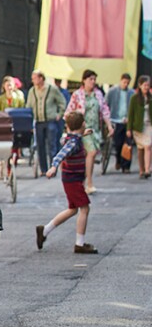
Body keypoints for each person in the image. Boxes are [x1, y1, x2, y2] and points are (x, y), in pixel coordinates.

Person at [35, 112, 98, 254]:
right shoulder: (73, 142)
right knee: (85, 208)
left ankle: (44, 230)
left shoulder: (72, 138)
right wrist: (53, 167)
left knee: (73, 209)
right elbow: (61, 154)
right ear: (83, 124)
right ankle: (79, 243)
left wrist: (83, 134)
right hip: (73, 181)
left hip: (71, 180)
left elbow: (71, 141)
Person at [66, 69, 113, 194]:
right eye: (90, 79)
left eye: (94, 79)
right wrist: (70, 128)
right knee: (91, 153)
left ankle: (83, 182)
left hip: (95, 129)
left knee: (89, 156)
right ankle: (89, 183)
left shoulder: (98, 94)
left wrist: (109, 126)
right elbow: (69, 111)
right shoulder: (77, 94)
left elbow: (104, 110)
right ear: (84, 80)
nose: (93, 82)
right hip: (82, 129)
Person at [26, 70, 67, 172]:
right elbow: (28, 106)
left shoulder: (52, 89)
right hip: (38, 121)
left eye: (34, 78)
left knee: (51, 145)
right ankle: (44, 169)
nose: (33, 80)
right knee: (40, 146)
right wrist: (29, 122)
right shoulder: (32, 91)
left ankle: (53, 168)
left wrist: (59, 114)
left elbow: (62, 102)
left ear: (41, 78)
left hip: (50, 121)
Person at [105, 74, 135, 173]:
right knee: (118, 144)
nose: (125, 84)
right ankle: (119, 159)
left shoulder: (131, 93)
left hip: (127, 121)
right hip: (115, 120)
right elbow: (106, 104)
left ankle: (126, 166)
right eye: (124, 82)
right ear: (120, 81)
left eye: (127, 83)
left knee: (128, 144)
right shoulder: (112, 92)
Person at [128, 75, 152, 178]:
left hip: (148, 126)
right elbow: (131, 113)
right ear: (140, 85)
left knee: (148, 146)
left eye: (148, 85)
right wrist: (129, 128)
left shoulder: (150, 98)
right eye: (144, 85)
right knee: (140, 149)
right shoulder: (134, 98)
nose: (146, 87)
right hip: (138, 127)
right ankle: (141, 170)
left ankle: (147, 169)